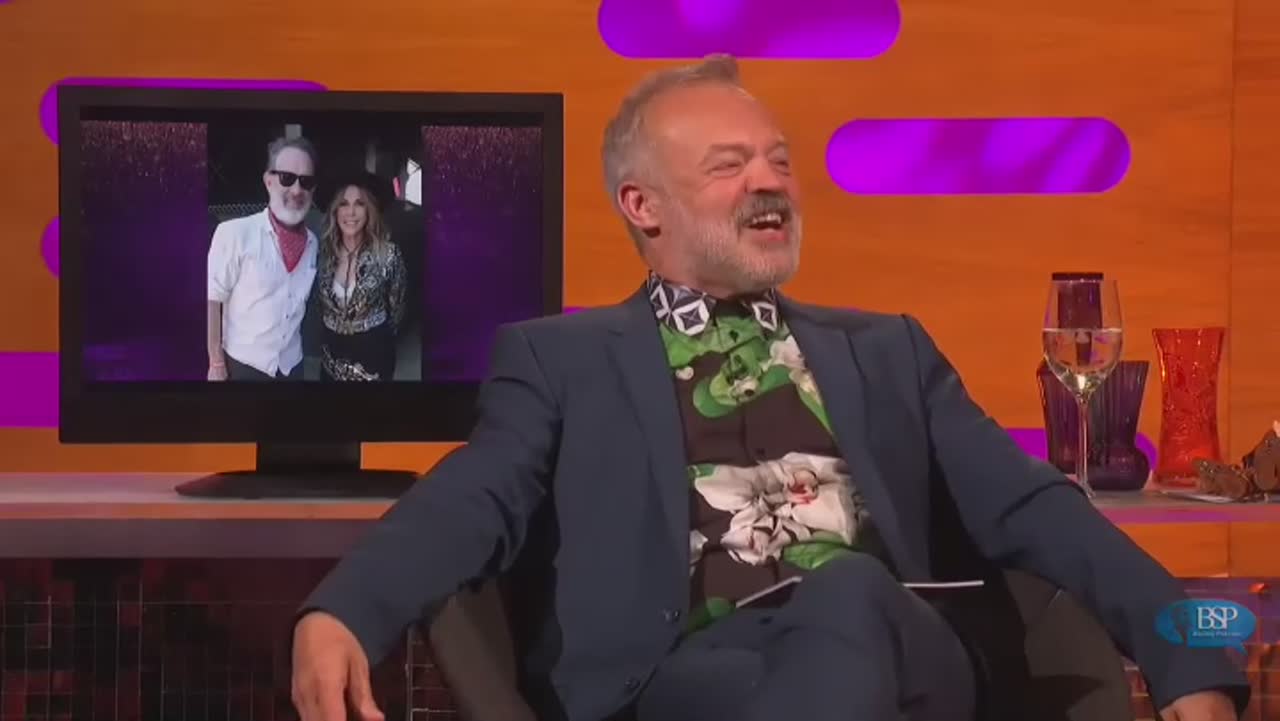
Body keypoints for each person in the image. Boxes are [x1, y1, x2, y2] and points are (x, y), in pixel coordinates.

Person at [289, 56, 1250, 721]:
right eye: (730, 165)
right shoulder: (561, 359)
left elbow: (1034, 505)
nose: (770, 182)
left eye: (779, 160)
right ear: (642, 206)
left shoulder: (887, 350)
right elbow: (473, 494)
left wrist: (1182, 650)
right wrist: (344, 609)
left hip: (899, 649)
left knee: (850, 595)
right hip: (686, 679)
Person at [207, 136, 320, 381]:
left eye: (306, 181)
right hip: (243, 367)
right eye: (287, 178)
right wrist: (216, 362)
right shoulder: (234, 233)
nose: (297, 190)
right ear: (269, 181)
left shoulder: (312, 243)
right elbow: (212, 300)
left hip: (292, 367)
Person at [315, 171, 407, 381]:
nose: (351, 212)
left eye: (359, 204)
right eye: (343, 204)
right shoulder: (322, 254)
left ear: (369, 210)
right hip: (331, 360)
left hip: (374, 360)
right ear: (335, 211)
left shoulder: (388, 254)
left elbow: (398, 309)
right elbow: (319, 308)